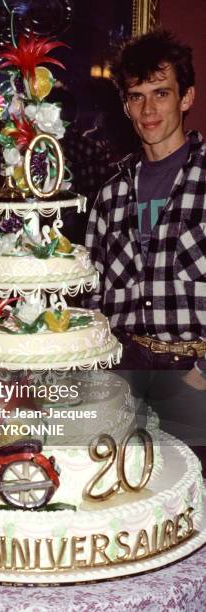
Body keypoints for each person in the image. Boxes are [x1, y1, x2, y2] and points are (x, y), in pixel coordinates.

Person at [84, 30, 206, 450]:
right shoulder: (110, 192)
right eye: (137, 96)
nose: (149, 109)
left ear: (186, 98)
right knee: (124, 493)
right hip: (123, 370)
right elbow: (92, 294)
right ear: (125, 105)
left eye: (161, 93)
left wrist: (202, 372)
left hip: (193, 372)